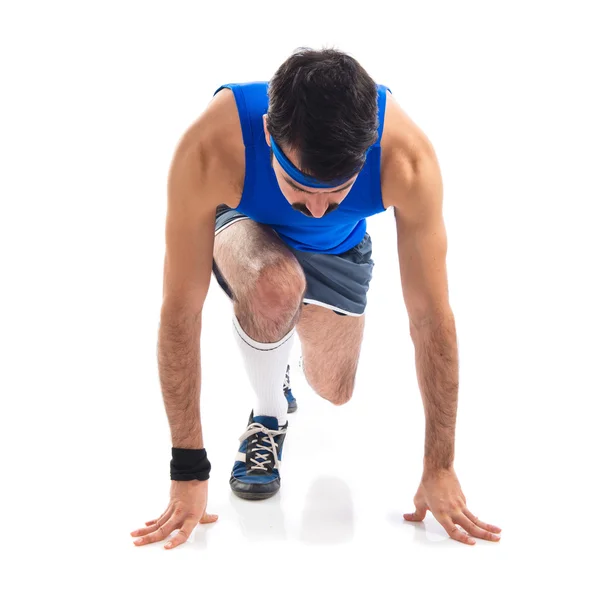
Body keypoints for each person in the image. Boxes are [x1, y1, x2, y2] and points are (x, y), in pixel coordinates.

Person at [130, 47, 502, 550]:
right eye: (298, 186)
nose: (318, 209)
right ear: (267, 135)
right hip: (244, 228)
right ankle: (268, 413)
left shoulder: (407, 159)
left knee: (335, 389)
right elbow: (180, 309)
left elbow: (430, 316)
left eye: (340, 191)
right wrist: (188, 469)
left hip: (341, 253)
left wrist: (441, 465)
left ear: (368, 150)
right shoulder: (212, 147)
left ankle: (276, 352)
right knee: (275, 287)